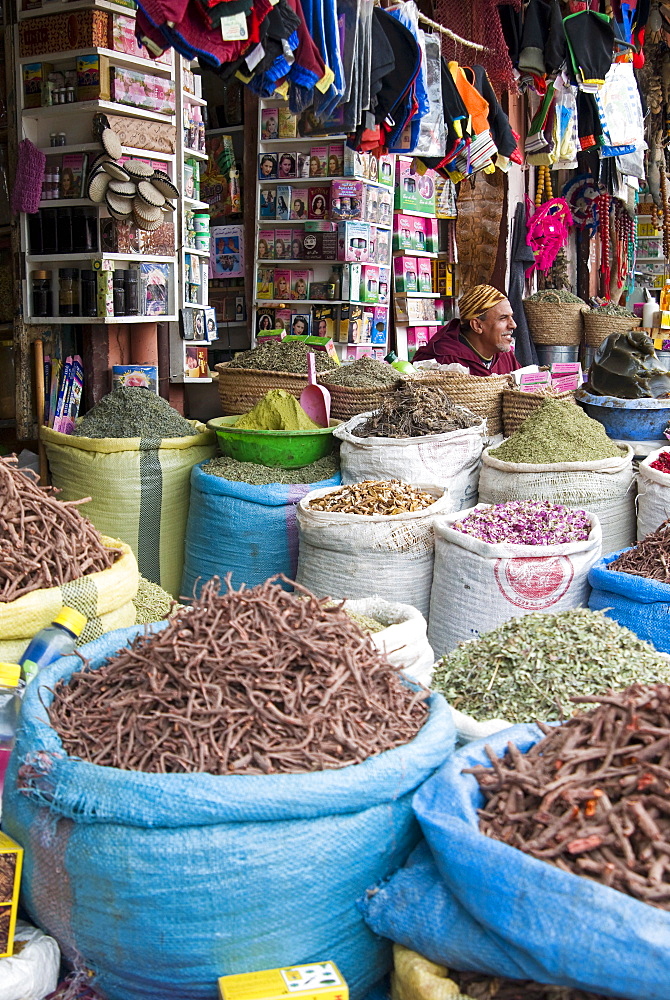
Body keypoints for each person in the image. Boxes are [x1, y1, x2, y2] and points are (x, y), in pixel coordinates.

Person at [412, 284, 520, 377]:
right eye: (503, 318)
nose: (513, 325)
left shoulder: (505, 355)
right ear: (477, 325)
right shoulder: (442, 361)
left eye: (511, 317)